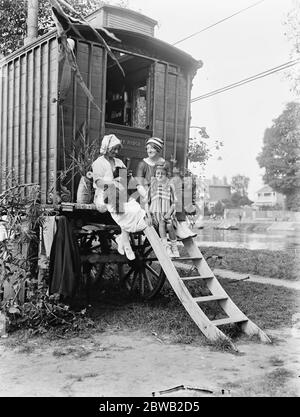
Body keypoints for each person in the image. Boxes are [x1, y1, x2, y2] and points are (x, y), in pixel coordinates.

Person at [92, 134, 147, 260]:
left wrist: (138, 187)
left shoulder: (119, 162)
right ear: (106, 147)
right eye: (114, 149)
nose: (116, 152)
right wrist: (113, 182)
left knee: (134, 208)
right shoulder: (98, 163)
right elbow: (98, 183)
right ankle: (125, 243)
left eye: (118, 149)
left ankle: (122, 238)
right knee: (123, 206)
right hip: (104, 194)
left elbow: (127, 179)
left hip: (119, 193)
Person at [136, 137, 196, 239]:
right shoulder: (143, 164)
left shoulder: (165, 163)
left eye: (152, 148)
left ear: (158, 149)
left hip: (164, 193)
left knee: (177, 193)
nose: (149, 150)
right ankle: (178, 228)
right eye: (147, 148)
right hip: (148, 196)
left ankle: (183, 225)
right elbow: (139, 185)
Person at [145, 163, 180, 258]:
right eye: (157, 174)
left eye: (162, 174)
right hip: (155, 217)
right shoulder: (152, 187)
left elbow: (173, 203)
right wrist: (148, 216)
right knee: (161, 222)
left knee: (169, 225)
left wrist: (169, 213)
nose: (159, 176)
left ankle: (174, 247)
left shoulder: (169, 187)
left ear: (166, 175)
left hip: (167, 215)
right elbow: (147, 203)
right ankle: (166, 247)